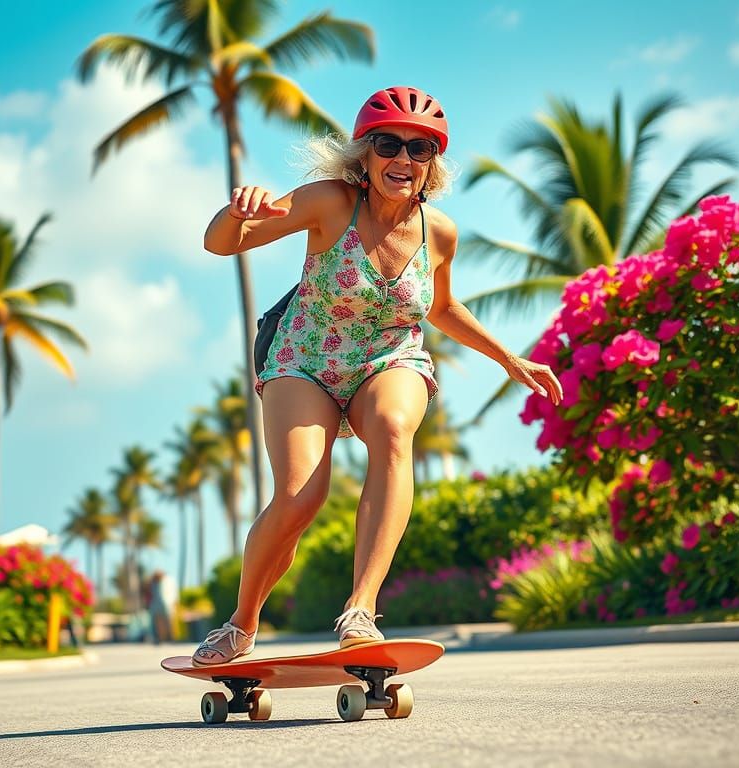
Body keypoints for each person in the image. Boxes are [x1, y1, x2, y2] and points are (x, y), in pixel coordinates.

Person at [194, 86, 563, 666]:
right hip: (305, 360)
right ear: (364, 154)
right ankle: (242, 622)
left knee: (394, 428)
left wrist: (509, 358)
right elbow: (221, 245)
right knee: (298, 498)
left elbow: (440, 309)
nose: (404, 160)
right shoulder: (329, 202)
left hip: (390, 360)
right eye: (389, 144)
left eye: (420, 150)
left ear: (432, 164)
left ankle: (360, 609)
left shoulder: (439, 232)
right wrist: (236, 212)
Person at [148, 569, 178, 644]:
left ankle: (171, 638)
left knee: (169, 621)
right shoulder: (153, 582)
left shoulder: (169, 581)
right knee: (159, 622)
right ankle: (161, 638)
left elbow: (173, 593)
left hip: (167, 604)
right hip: (157, 604)